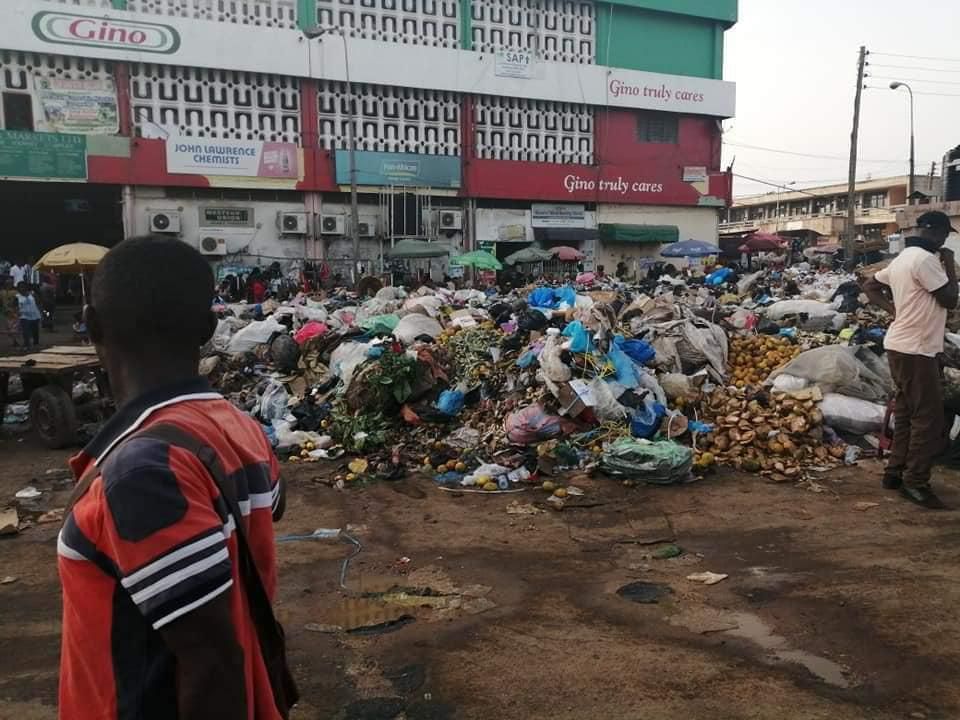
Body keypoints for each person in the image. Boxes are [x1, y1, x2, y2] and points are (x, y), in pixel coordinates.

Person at [58, 236, 294, 719]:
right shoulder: (238, 427)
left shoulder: (143, 472)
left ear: (91, 324)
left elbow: (211, 663)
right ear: (208, 330)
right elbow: (271, 506)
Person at [863, 210, 959, 508]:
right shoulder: (926, 260)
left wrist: (896, 314)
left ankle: (894, 473)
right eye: (945, 234)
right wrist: (950, 264)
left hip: (902, 345)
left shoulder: (904, 259)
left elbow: (870, 286)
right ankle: (915, 482)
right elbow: (950, 299)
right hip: (915, 349)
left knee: (906, 412)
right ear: (937, 233)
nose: (945, 239)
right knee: (928, 418)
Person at [15, 281, 41, 350]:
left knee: (35, 331)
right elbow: (15, 306)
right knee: (26, 331)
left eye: (23, 286)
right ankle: (27, 344)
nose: (22, 288)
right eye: (20, 287)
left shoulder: (32, 294)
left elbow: (38, 302)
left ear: (26, 287)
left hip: (35, 315)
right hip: (24, 316)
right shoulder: (17, 297)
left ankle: (36, 343)